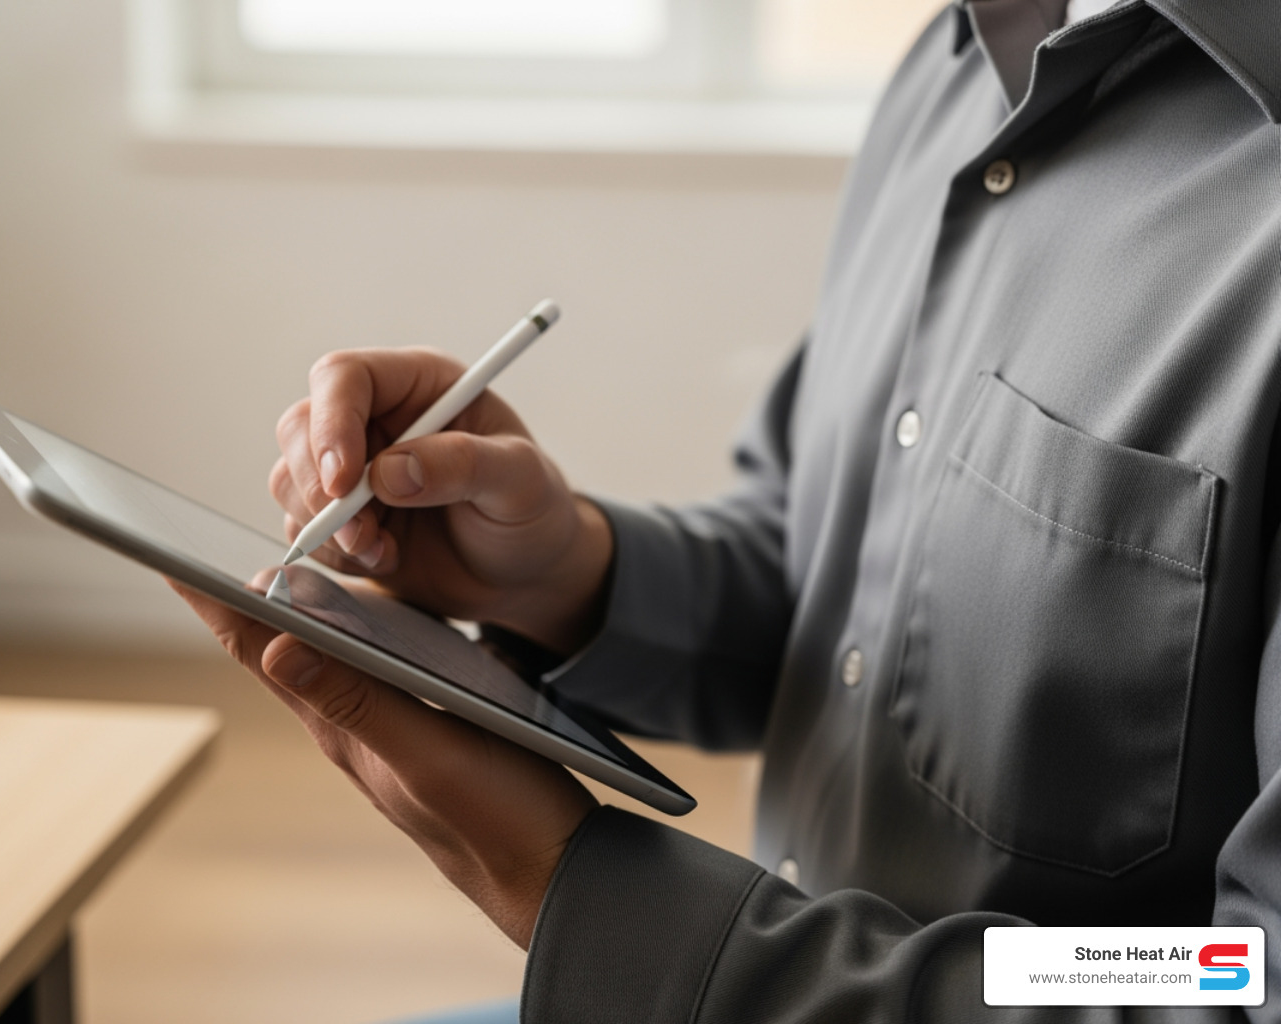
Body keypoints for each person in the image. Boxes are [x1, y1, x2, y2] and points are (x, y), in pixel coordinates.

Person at [175, 0, 1281, 1019]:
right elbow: (839, 595)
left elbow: (1239, 979)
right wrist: (566, 573)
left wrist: (582, 891)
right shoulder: (959, 62)